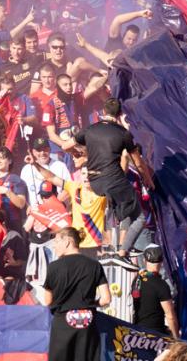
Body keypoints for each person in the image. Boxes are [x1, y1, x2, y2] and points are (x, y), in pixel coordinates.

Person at [62, 98, 146, 259]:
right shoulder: (123, 133)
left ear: (103, 112)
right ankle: (123, 252)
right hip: (113, 179)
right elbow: (138, 163)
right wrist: (147, 180)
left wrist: (77, 154)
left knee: (120, 208)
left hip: (95, 182)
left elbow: (65, 146)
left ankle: (115, 247)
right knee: (139, 217)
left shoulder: (90, 129)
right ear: (120, 114)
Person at [35, 227, 110, 361]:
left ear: (67, 242)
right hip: (87, 323)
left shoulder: (54, 267)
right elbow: (105, 299)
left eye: (57, 242)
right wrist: (89, 304)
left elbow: (47, 301)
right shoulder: (94, 265)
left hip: (62, 324)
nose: (54, 246)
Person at [133, 245, 180, 338]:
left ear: (144, 261)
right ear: (162, 262)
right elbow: (170, 316)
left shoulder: (137, 279)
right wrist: (176, 338)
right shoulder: (161, 285)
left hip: (137, 332)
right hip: (155, 336)